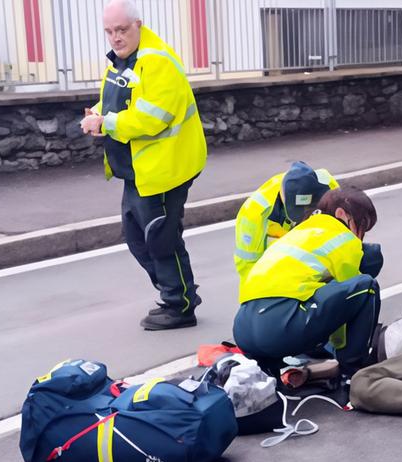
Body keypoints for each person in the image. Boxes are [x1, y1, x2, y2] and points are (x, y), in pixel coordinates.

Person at [81, 0, 207, 331]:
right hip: (137, 171)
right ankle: (175, 294)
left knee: (160, 238)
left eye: (121, 30)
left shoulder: (157, 62)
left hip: (165, 170)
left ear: (138, 24)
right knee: (137, 238)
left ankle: (179, 304)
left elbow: (150, 119)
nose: (115, 37)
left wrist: (105, 124)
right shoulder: (121, 62)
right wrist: (98, 112)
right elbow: (117, 101)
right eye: (109, 31)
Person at [233, 187, 383, 382]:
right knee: (366, 286)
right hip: (280, 330)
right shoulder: (344, 239)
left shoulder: (297, 233)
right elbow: (348, 306)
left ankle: (270, 371)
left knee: (307, 297)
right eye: (362, 226)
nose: (361, 236)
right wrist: (337, 351)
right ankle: (353, 373)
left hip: (244, 331)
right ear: (342, 215)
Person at [234, 162, 338, 285]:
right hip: (278, 270)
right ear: (284, 202)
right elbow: (248, 267)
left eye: (309, 209)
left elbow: (343, 231)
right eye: (301, 212)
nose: (306, 217)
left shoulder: (327, 184)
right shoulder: (252, 214)